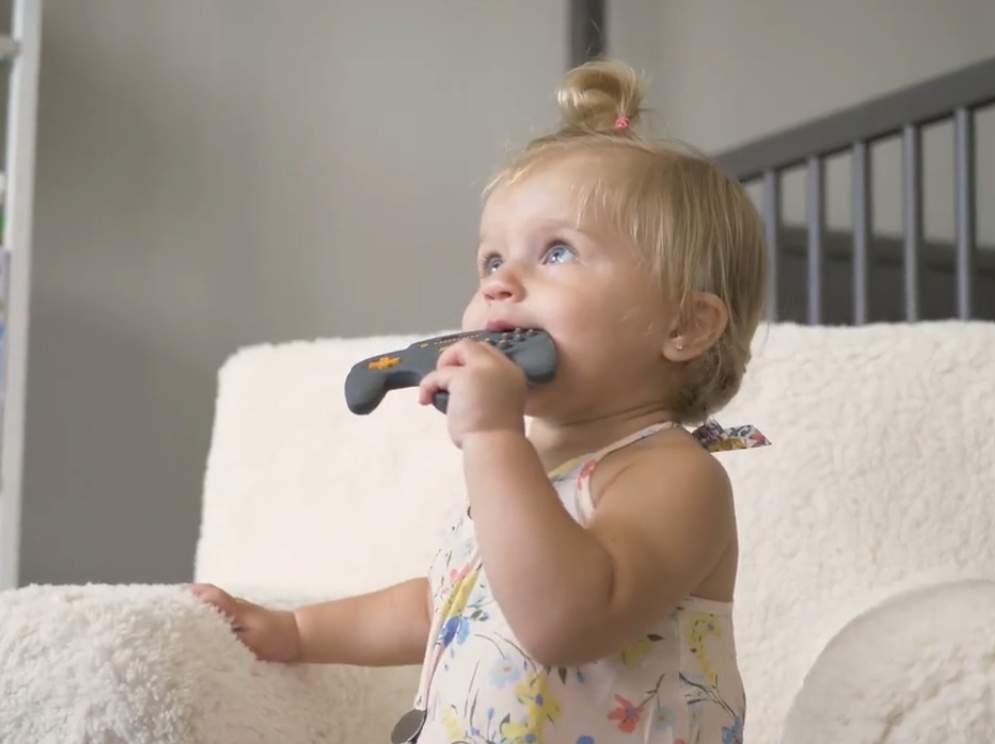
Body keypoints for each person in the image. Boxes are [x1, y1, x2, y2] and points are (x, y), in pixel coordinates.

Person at [190, 58, 769, 744]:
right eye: (491, 261)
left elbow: (566, 621)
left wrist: (495, 441)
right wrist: (296, 631)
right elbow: (449, 602)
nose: (501, 283)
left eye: (556, 252)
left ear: (684, 326)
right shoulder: (528, 475)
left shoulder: (674, 476)